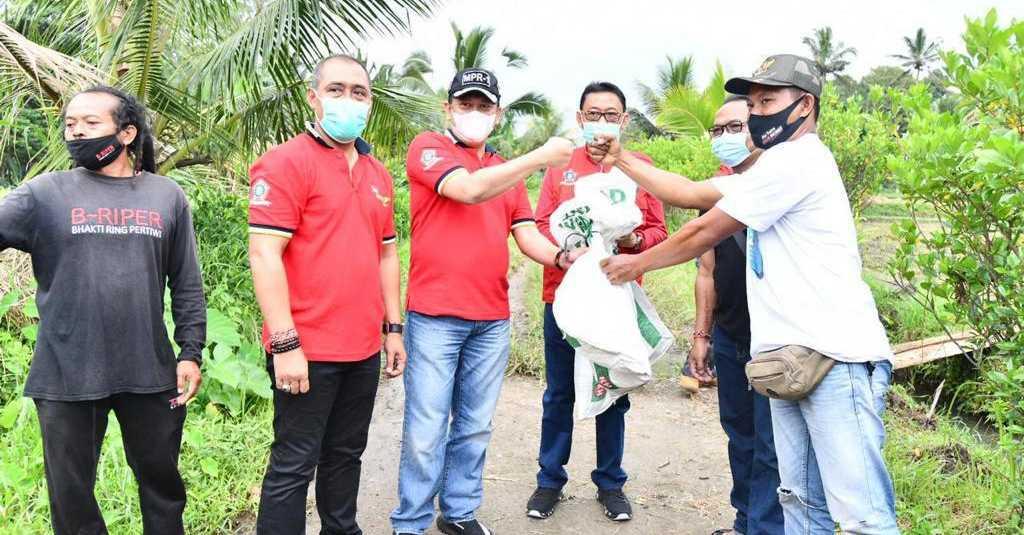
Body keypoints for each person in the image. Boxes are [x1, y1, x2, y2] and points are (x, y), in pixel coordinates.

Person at [594, 55, 900, 535]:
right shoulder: (769, 169)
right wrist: (623, 160)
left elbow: (703, 230)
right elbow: (691, 191)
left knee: (862, 516)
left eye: (768, 100)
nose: (758, 112)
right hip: (787, 362)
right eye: (753, 101)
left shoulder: (799, 160)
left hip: (835, 360)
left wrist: (637, 264)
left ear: (804, 106)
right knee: (799, 503)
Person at [0, 86, 206, 535]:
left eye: (90, 124)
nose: (77, 132)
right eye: (71, 124)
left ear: (127, 132)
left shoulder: (165, 195)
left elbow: (186, 281)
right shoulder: (43, 193)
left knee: (163, 491)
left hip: (150, 373)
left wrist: (191, 351)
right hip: (66, 375)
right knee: (72, 503)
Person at [390, 68, 576, 535]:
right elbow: (468, 190)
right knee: (426, 429)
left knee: (474, 425)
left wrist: (564, 256)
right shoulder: (427, 148)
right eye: (465, 104)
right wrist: (540, 158)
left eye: (483, 106)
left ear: (499, 115)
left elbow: (526, 233)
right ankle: (410, 521)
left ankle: (458, 512)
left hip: (491, 319)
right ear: (447, 108)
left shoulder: (504, 172)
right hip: (434, 316)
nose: (473, 113)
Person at [248, 54, 406, 535]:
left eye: (359, 93)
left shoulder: (377, 174)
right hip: (307, 349)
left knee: (346, 454)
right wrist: (286, 344)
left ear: (370, 103)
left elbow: (387, 255)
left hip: (361, 347)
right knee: (295, 463)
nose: (348, 100)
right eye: (336, 90)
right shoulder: (285, 163)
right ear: (313, 98)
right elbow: (264, 255)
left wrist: (393, 329)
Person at [526, 81, 667, 523]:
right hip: (564, 298)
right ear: (579, 118)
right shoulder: (560, 167)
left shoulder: (640, 167)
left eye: (611, 115)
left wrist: (631, 239)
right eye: (594, 114)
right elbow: (544, 221)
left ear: (624, 121)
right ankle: (549, 481)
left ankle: (611, 483)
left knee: (614, 390)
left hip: (618, 300)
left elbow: (658, 232)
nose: (602, 122)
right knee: (559, 394)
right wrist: (570, 247)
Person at [689, 96, 784, 535]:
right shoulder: (715, 192)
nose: (726, 137)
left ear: (759, 127)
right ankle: (745, 520)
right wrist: (701, 336)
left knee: (770, 445)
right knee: (739, 435)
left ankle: (765, 528)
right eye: (718, 129)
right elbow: (706, 269)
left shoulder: (780, 182)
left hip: (775, 341)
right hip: (730, 335)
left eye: (735, 126)